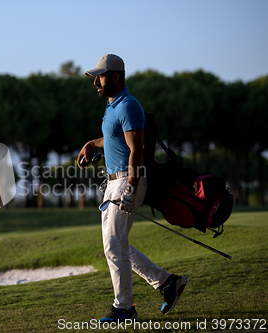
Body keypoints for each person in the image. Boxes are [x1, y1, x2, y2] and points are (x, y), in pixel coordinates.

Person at [77, 54, 187, 323]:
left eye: (100, 77)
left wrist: (131, 187)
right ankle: (167, 282)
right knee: (117, 245)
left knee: (114, 246)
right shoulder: (113, 106)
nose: (96, 83)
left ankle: (124, 308)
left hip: (128, 180)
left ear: (115, 77)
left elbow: (136, 150)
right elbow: (114, 138)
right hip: (114, 182)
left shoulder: (128, 106)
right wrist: (93, 144)